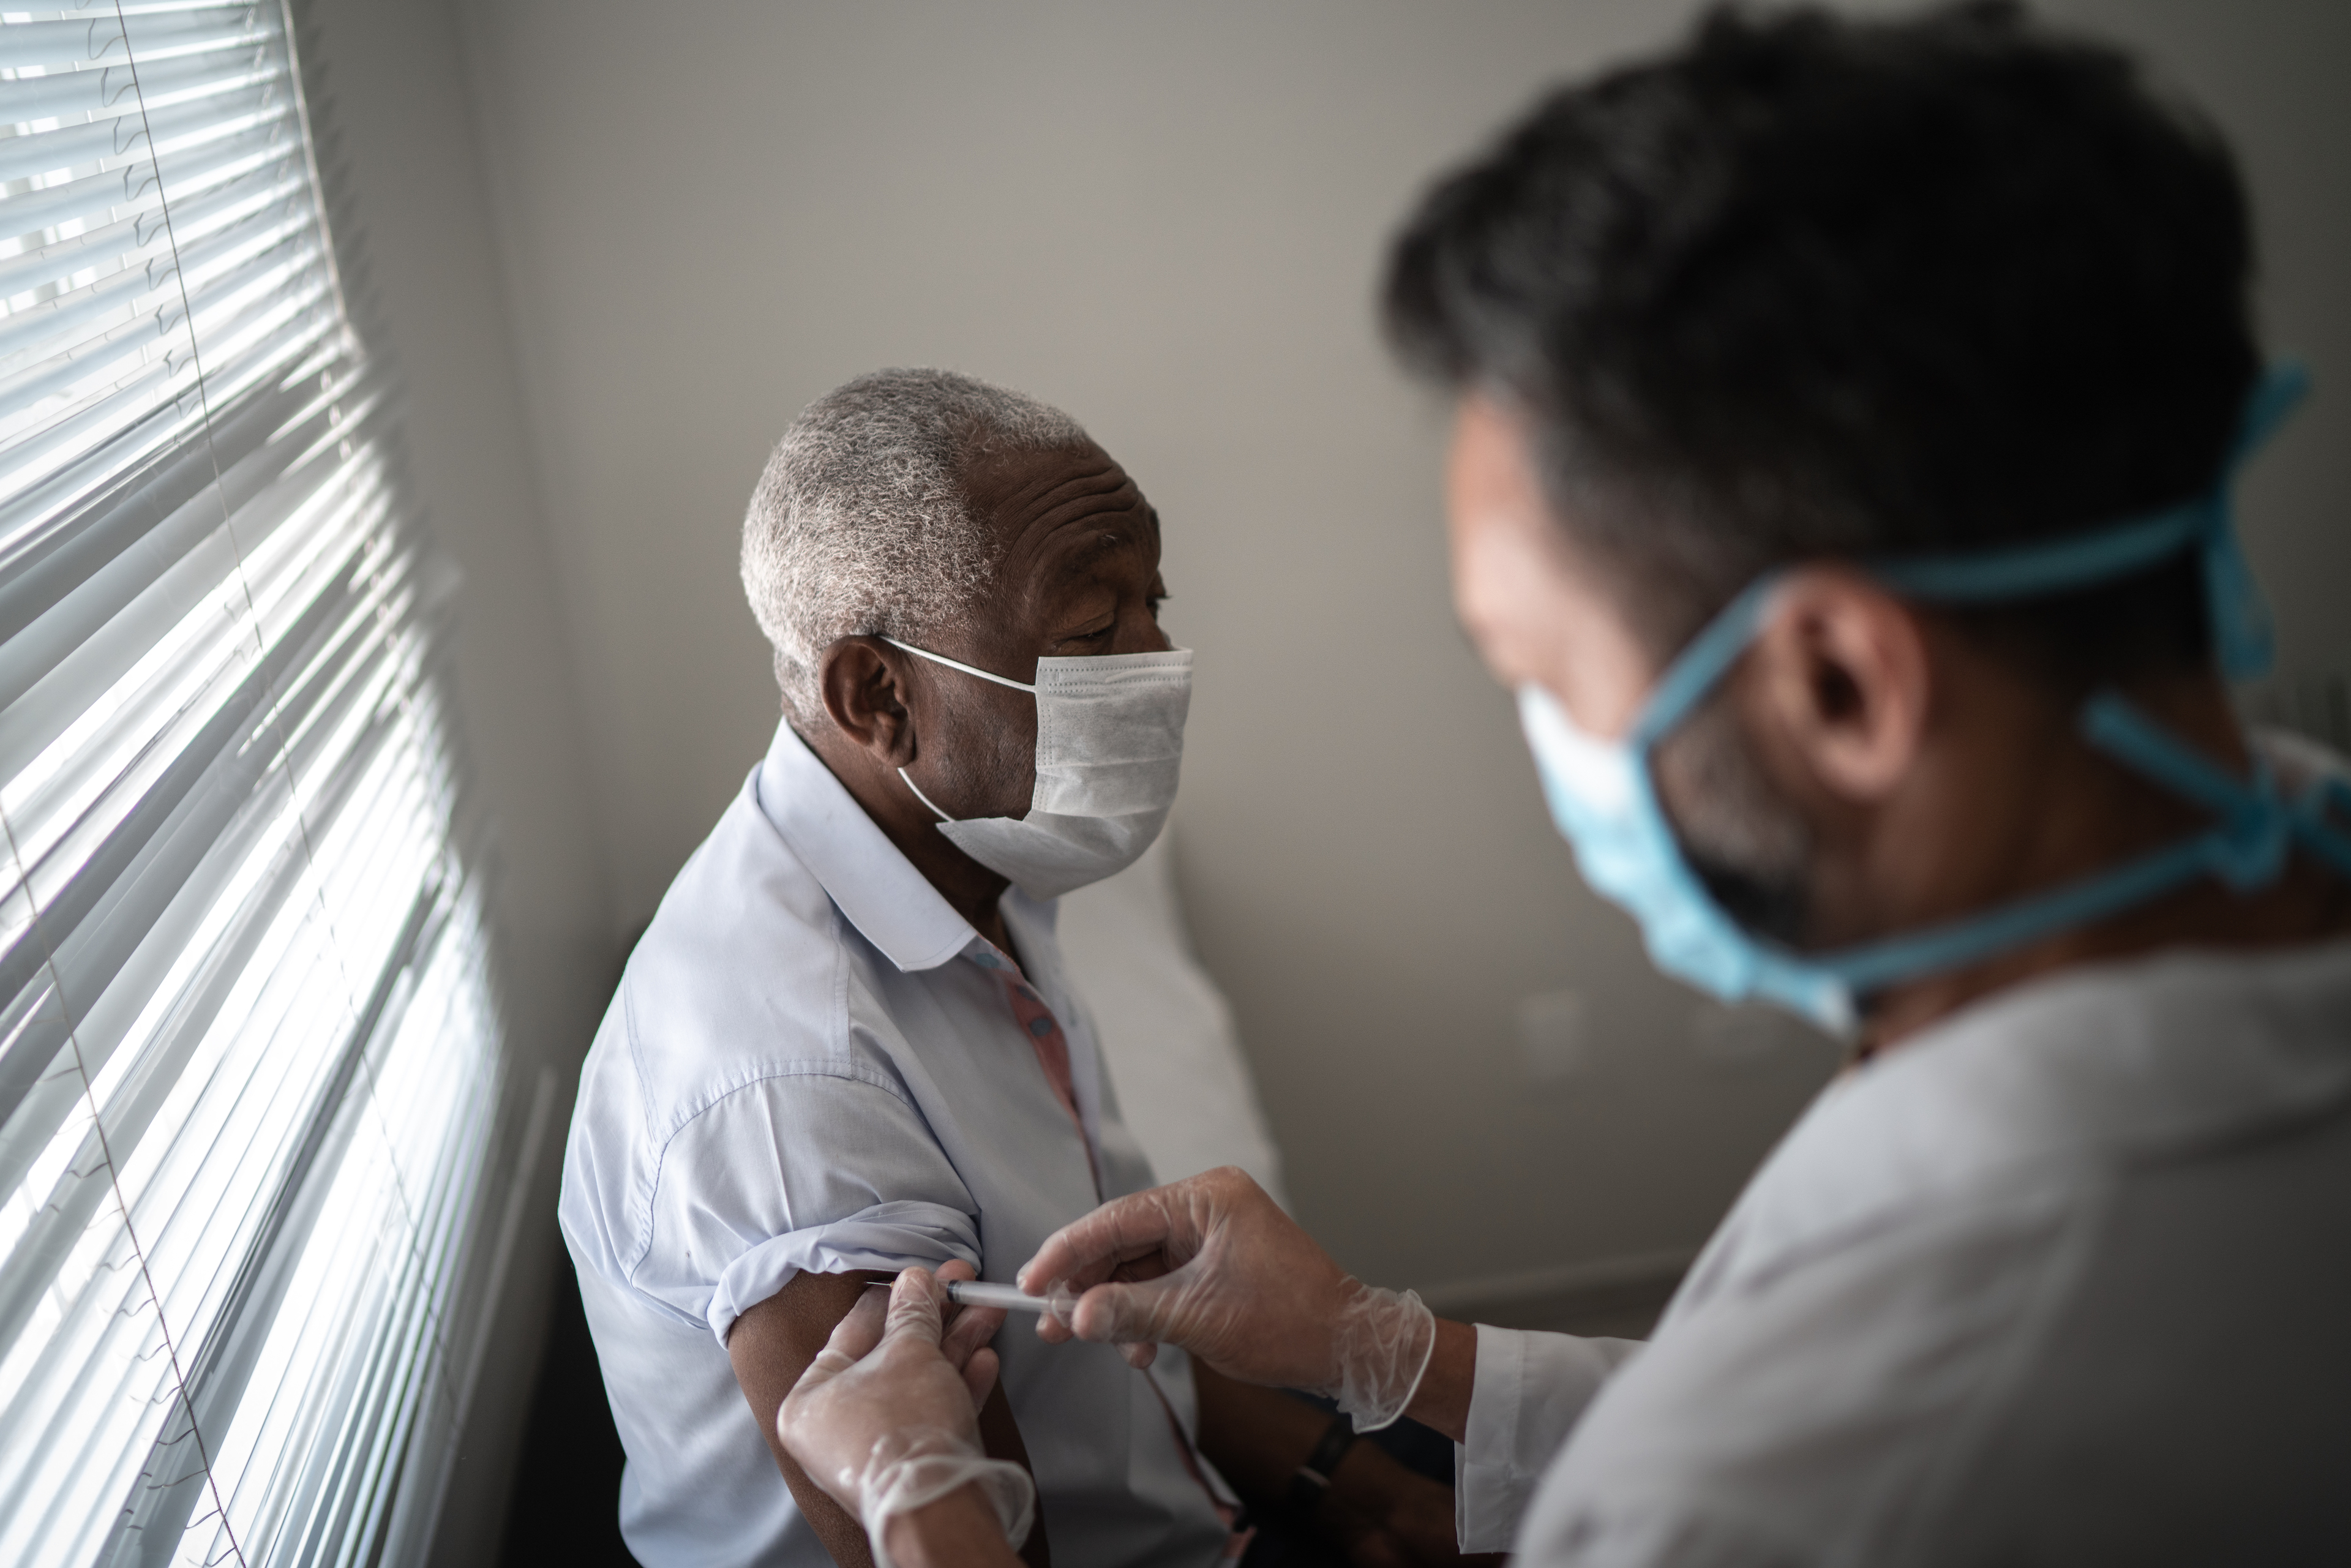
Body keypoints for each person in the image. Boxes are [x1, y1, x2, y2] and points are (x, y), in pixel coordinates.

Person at [767, 8, 2351, 1567]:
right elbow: (1747, 1396)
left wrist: (929, 1509)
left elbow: (1756, 1450)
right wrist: (1381, 1347)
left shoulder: (1816, 1483)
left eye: (1540, 671)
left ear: (1843, 690)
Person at [558, 369, 1470, 1568]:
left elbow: (1091, 1330)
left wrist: (1351, 1487)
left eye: (1152, 602)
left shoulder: (981, 855)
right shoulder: (795, 1090)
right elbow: (957, 1532)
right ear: (878, 695)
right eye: (1092, 631)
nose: (1158, 660)